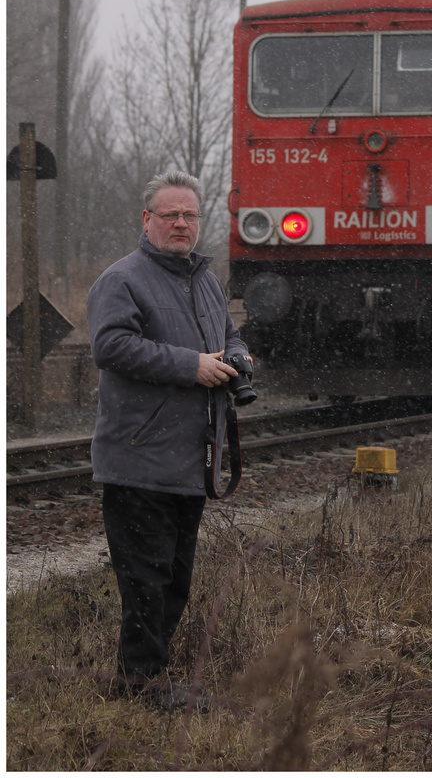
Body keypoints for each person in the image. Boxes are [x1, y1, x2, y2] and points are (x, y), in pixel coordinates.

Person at [87, 170, 252, 710]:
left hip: (188, 458)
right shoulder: (123, 279)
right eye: (170, 215)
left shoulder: (202, 279)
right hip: (138, 458)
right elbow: (111, 346)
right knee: (146, 579)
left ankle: (149, 680)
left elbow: (223, 333)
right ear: (147, 220)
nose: (181, 224)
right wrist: (191, 366)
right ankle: (143, 685)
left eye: (189, 216)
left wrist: (236, 353)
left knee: (175, 578)